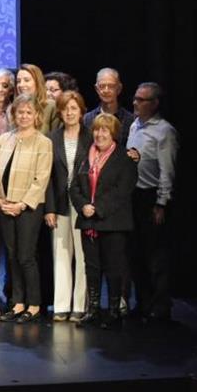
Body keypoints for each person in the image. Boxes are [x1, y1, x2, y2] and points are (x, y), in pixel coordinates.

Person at [0, 95, 54, 324]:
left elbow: (41, 179)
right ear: (13, 114)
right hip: (4, 205)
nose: (24, 116)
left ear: (36, 116)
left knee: (26, 256)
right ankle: (17, 302)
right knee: (12, 255)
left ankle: (34, 304)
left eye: (28, 112)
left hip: (27, 208)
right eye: (20, 112)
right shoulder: (3, 139)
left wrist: (21, 204)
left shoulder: (43, 142)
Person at [72, 113, 138, 329]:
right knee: (91, 267)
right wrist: (83, 206)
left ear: (113, 134)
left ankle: (113, 311)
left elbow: (122, 190)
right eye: (97, 130)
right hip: (88, 221)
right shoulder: (85, 156)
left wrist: (97, 209)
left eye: (105, 130)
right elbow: (74, 187)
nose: (99, 134)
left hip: (112, 222)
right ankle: (92, 310)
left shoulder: (124, 158)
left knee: (113, 267)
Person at [126, 81, 178, 323]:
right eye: (135, 98)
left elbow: (167, 170)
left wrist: (161, 203)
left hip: (152, 196)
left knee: (155, 255)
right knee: (136, 253)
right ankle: (143, 303)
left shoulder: (164, 131)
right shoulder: (134, 125)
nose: (135, 103)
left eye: (141, 100)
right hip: (133, 195)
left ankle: (160, 307)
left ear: (154, 103)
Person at [44, 91, 92, 322]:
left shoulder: (91, 137)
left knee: (83, 256)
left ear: (81, 111)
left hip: (83, 204)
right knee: (61, 255)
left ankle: (80, 305)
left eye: (74, 108)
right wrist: (49, 209)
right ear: (60, 113)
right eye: (65, 109)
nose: (70, 113)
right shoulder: (52, 138)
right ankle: (61, 305)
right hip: (60, 203)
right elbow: (48, 177)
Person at [84, 68, 135, 140]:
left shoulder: (130, 120)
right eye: (102, 86)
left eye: (111, 86)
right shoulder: (87, 119)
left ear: (119, 89)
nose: (106, 90)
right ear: (96, 89)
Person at [17, 63, 58, 132]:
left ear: (37, 82)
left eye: (26, 80)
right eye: (18, 81)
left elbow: (56, 135)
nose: (21, 85)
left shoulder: (51, 106)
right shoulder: (11, 109)